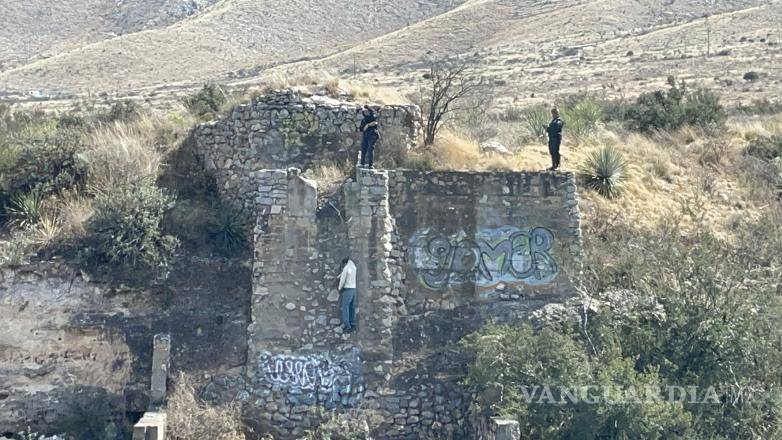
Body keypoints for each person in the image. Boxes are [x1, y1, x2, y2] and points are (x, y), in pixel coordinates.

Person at [337, 257, 357, 332]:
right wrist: (339, 275)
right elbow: (346, 273)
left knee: (345, 306)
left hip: (347, 289)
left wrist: (339, 288)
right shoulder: (354, 267)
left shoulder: (346, 268)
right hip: (354, 289)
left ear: (345, 263)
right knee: (352, 307)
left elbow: (343, 279)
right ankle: (353, 323)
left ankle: (347, 325)